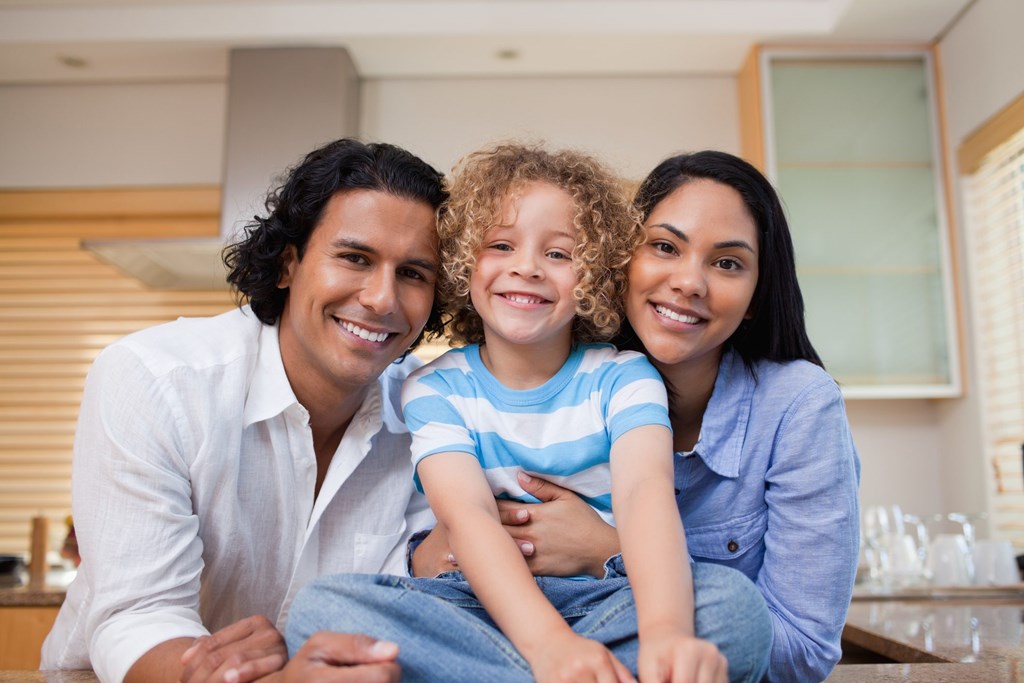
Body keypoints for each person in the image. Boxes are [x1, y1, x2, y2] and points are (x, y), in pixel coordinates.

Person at [285, 144, 771, 683]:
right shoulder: (434, 387)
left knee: (734, 607)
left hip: (603, 603)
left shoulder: (626, 378)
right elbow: (468, 516)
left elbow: (645, 495)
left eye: (559, 254)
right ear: (466, 263)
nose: (526, 267)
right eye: (501, 244)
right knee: (321, 611)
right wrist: (548, 648)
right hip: (468, 607)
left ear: (593, 273)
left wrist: (666, 634)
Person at [40, 138, 449, 683]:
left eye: (414, 273)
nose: (382, 299)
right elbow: (138, 615)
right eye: (355, 258)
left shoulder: (435, 414)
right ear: (287, 264)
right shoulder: (155, 381)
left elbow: (424, 598)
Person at [484, 150, 862, 681]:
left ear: (755, 295)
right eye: (664, 247)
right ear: (619, 260)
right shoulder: (553, 371)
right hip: (531, 642)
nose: (689, 282)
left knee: (730, 607)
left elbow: (804, 649)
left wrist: (606, 551)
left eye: (727, 263)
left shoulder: (797, 404)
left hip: (654, 655)